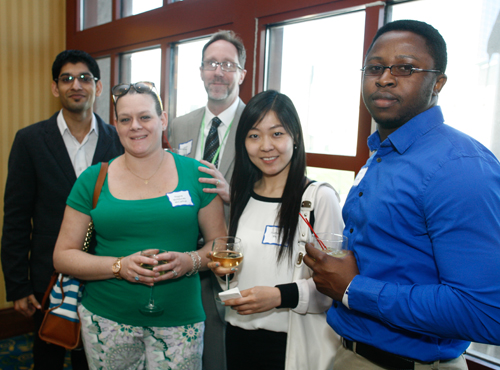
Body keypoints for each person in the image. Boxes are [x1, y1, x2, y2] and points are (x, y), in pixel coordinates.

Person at [304, 20, 500, 370]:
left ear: (437, 82)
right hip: (349, 352)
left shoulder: (459, 168)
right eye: (375, 67)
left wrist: (353, 288)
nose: (385, 78)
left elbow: (485, 312)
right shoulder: (385, 152)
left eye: (405, 68)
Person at [53, 81, 226, 369]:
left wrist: (189, 261)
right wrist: (119, 266)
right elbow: (63, 256)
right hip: (107, 318)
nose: (135, 126)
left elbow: (220, 244)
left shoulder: (198, 175)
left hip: (180, 320)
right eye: (125, 119)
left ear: (163, 119)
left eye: (145, 117)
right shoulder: (93, 180)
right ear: (116, 125)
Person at [1, 50, 123, 370]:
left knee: (96, 360)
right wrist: (18, 285)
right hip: (48, 277)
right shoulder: (29, 141)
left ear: (98, 86)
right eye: (66, 78)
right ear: (55, 88)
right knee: (48, 359)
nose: (76, 85)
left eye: (85, 78)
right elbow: (16, 217)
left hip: (105, 274)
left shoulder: (120, 140)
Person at [209, 90, 342, 370]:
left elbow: (334, 285)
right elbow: (240, 269)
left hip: (292, 344)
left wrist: (279, 295)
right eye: (254, 135)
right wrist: (225, 274)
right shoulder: (242, 195)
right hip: (238, 337)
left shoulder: (318, 199)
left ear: (295, 136)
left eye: (277, 134)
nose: (266, 146)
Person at [169, 30, 247, 370]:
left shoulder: (258, 123)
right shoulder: (179, 126)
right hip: (185, 254)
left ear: (242, 73)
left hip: (236, 257)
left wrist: (235, 194)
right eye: (212, 64)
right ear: (201, 71)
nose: (219, 72)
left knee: (226, 351)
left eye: (228, 64)